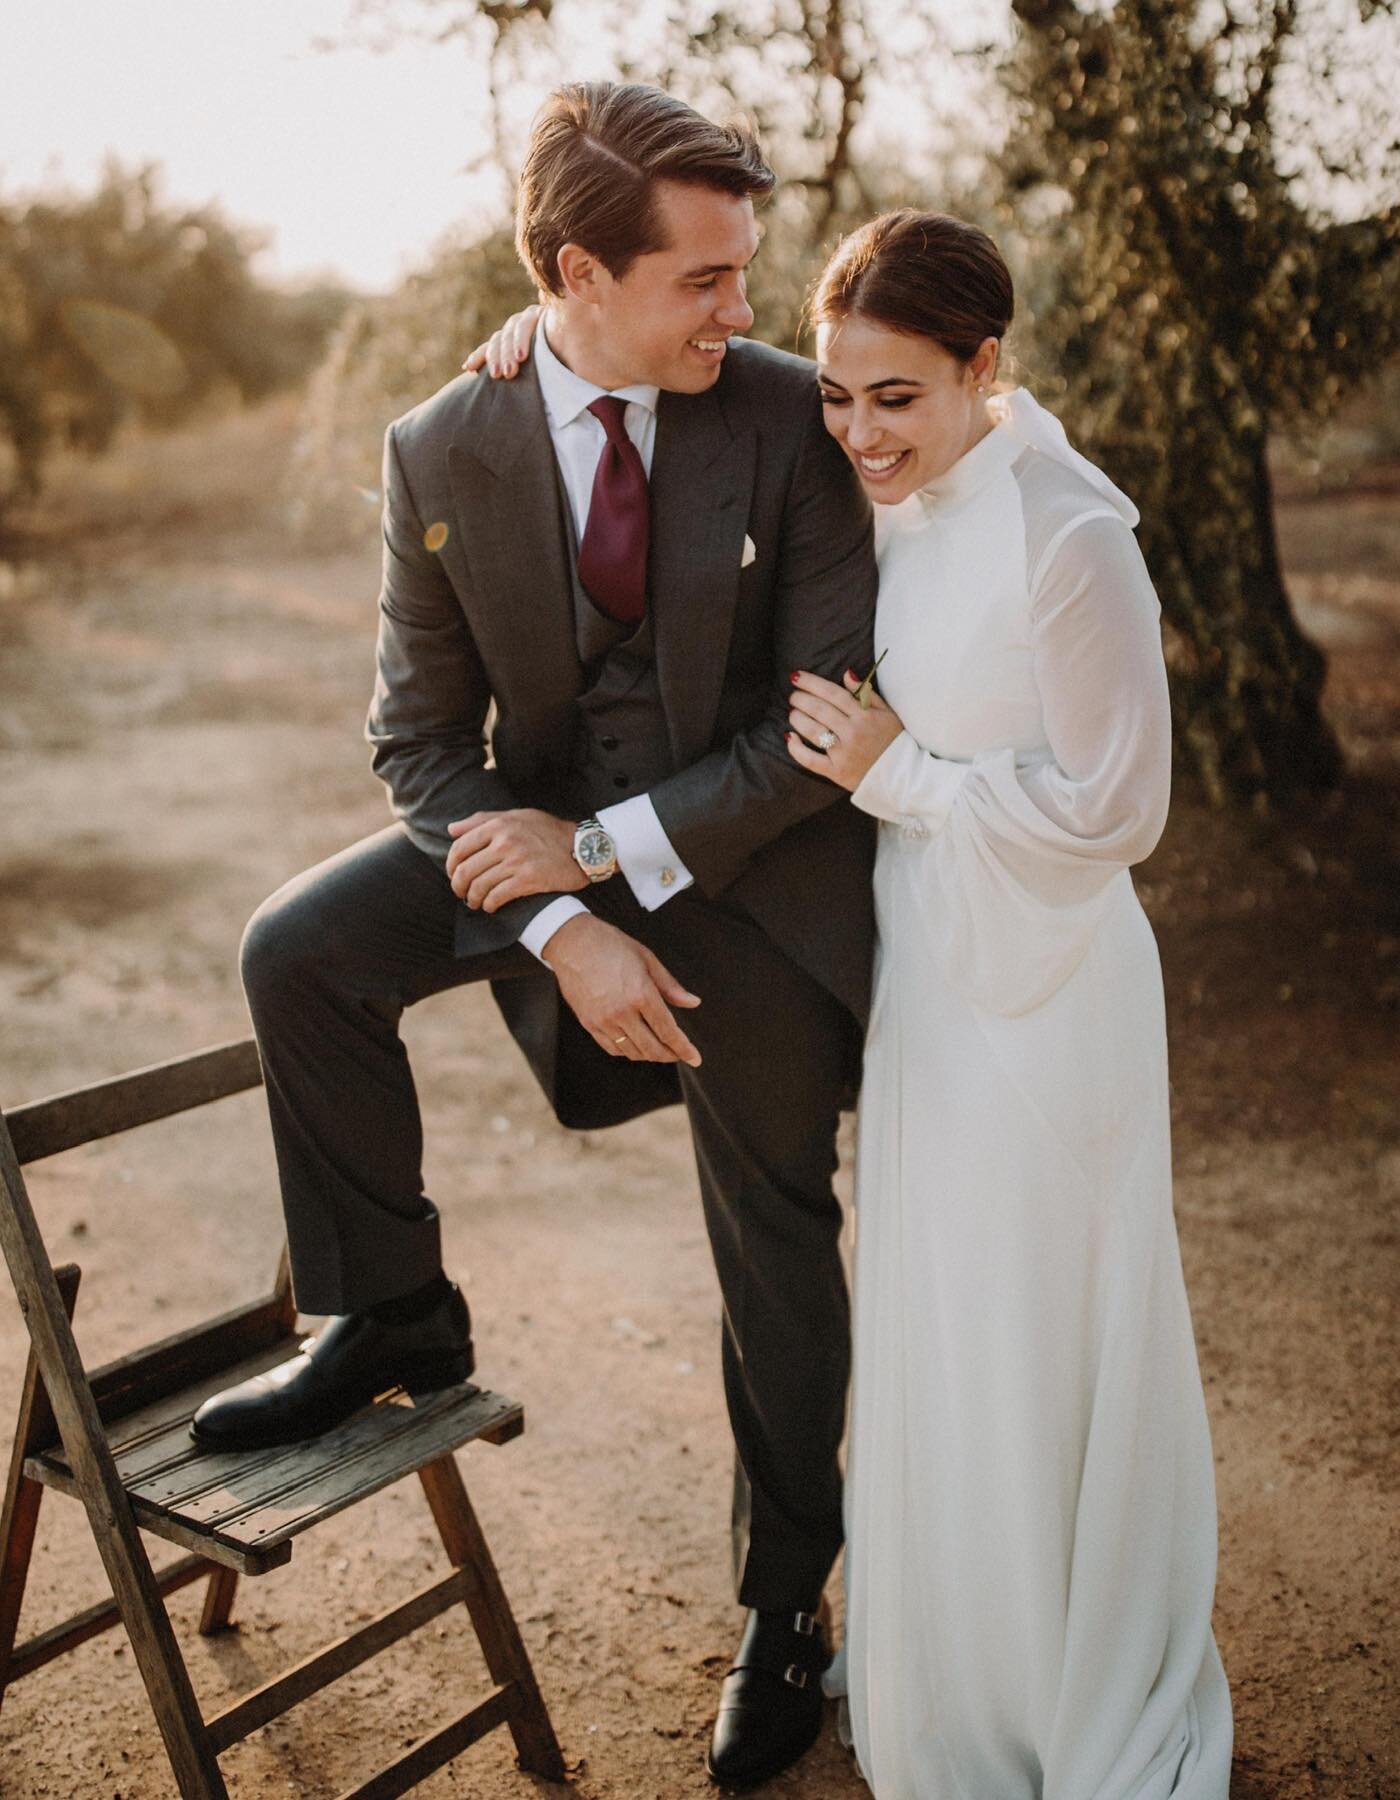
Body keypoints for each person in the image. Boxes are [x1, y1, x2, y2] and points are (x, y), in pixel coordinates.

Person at [475, 209, 1233, 1796]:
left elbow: (1121, 815)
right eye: (838, 393)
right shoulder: (879, 497)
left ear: (984, 369)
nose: (859, 431)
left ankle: (1067, 1675)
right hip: (925, 978)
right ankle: (949, 1659)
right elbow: (652, 385)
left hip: (1042, 982)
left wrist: (910, 780)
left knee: (1037, 1323)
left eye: (897, 396)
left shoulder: (1069, 533)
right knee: (945, 1319)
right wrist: (510, 350)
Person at [190, 82, 880, 1790]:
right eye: (702, 280)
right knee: (303, 950)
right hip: (540, 846)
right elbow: (418, 741)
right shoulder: (443, 442)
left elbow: (816, 722)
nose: (744, 309)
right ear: (577, 273)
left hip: (757, 870)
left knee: (772, 1242)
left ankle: (786, 1607)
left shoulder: (789, 420)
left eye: (744, 273)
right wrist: (564, 919)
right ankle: (391, 1313)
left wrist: (605, 851)